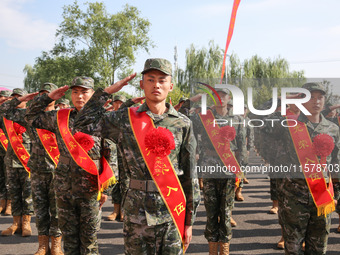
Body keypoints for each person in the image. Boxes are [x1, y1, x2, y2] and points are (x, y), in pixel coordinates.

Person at [71, 58, 200, 254]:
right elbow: (82, 123)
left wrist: (189, 222)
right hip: (136, 211)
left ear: (170, 86)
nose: (156, 85)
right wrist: (107, 92)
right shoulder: (125, 119)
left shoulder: (183, 124)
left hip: (171, 210)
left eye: (162, 80)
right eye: (150, 79)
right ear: (142, 84)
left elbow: (190, 175)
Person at [26, 77, 115, 255]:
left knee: (89, 240)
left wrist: (107, 189)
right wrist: (48, 98)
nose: (79, 96)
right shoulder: (60, 117)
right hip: (64, 188)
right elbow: (30, 116)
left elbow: (111, 155)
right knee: (70, 240)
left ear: (92, 94)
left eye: (84, 92)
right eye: (75, 92)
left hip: (90, 188)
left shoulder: (103, 119)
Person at [255, 82, 340, 254]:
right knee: (293, 250)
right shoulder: (287, 124)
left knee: (318, 249)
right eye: (311, 97)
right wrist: (281, 99)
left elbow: (336, 163)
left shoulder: (333, 128)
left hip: (322, 198)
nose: (316, 101)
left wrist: (336, 194)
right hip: (293, 198)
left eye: (320, 97)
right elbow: (256, 117)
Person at [0, 83, 64, 254]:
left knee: (56, 211)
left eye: (50, 94)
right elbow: (4, 110)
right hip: (36, 170)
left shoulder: (63, 116)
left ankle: (56, 245)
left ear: (57, 96)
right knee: (41, 210)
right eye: (43, 94)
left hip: (58, 171)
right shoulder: (29, 116)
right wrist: (20, 99)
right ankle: (42, 245)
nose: (47, 97)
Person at [185, 88, 247, 254]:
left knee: (226, 212)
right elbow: (182, 116)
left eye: (223, 95)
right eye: (216, 95)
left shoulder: (237, 119)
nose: (220, 98)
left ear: (228, 98)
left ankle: (225, 247)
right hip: (210, 169)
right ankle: (212, 248)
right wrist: (194, 99)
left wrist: (241, 172)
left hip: (229, 171)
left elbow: (242, 147)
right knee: (211, 212)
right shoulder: (203, 118)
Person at [0, 88, 34, 237]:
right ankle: (15, 223)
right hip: (11, 161)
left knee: (27, 194)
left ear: (27, 99)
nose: (17, 99)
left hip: (27, 161)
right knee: (14, 193)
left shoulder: (32, 116)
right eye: (14, 97)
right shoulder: (7, 117)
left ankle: (26, 223)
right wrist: (10, 102)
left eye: (20, 97)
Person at [0, 90, 12, 216]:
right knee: (1, 177)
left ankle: (9, 203)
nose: (3, 99)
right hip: (0, 149)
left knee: (9, 178)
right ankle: (2, 201)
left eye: (5, 98)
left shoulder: (12, 114)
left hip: (10, 149)